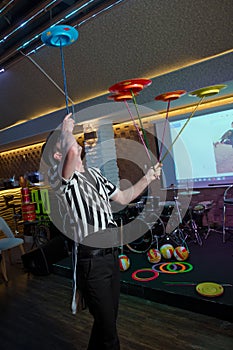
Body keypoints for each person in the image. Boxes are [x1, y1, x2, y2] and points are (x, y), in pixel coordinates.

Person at [41, 113, 162, 350]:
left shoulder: (95, 176)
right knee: (110, 336)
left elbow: (125, 197)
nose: (71, 141)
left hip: (109, 258)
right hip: (91, 263)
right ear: (58, 155)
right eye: (63, 143)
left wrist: (148, 177)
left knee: (106, 324)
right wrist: (63, 130)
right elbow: (73, 153)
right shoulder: (62, 180)